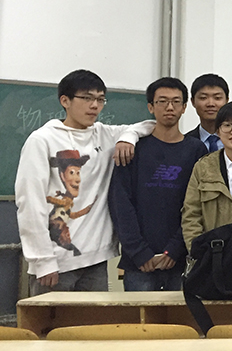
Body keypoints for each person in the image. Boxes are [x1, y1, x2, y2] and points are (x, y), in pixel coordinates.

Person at [15, 69, 155, 295]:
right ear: (65, 101)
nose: (94, 106)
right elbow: (29, 202)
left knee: (92, 319)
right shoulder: (42, 140)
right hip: (55, 263)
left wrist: (128, 138)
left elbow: (150, 125)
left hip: (96, 261)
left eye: (100, 99)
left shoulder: (104, 134)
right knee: (50, 319)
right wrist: (42, 260)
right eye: (87, 98)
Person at [108, 78, 207, 291]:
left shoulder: (196, 150)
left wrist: (175, 249)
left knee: (181, 314)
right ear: (150, 107)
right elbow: (120, 202)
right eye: (162, 101)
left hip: (180, 261)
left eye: (176, 102)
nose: (169, 107)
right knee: (140, 314)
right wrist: (139, 252)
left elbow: (197, 205)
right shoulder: (132, 148)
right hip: (138, 263)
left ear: (184, 107)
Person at [183, 101, 232, 252]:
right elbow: (191, 214)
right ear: (218, 131)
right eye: (227, 125)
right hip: (211, 255)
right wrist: (199, 252)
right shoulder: (203, 167)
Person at [185, 73, 229, 153]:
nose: (210, 104)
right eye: (203, 98)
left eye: (217, 98)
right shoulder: (184, 143)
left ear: (227, 101)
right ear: (193, 102)